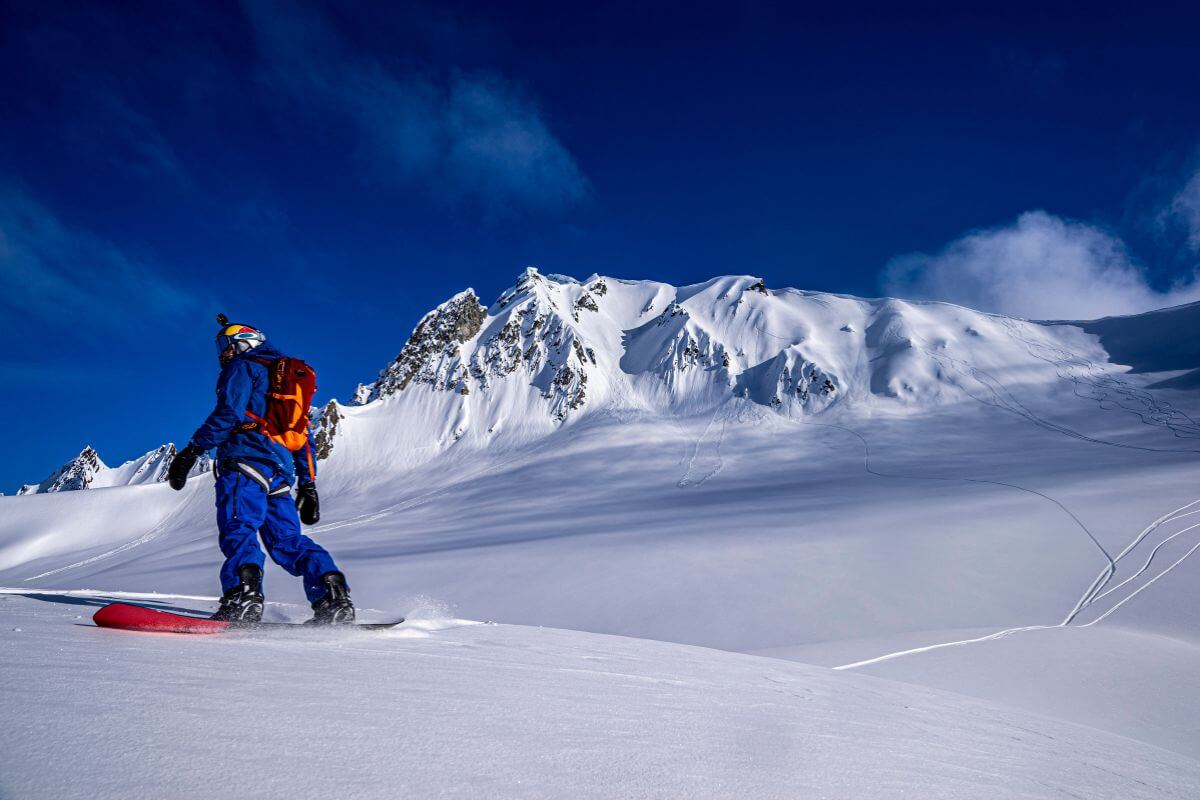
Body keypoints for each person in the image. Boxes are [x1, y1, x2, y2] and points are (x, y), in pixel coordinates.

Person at [166, 318, 355, 624]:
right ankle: (333, 597)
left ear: (243, 342)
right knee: (288, 541)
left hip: (245, 461)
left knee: (239, 527)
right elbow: (302, 435)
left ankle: (243, 597)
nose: (222, 354)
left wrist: (192, 450)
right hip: (279, 472)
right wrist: (308, 484)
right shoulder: (286, 383)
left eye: (225, 346)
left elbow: (229, 413)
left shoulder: (243, 367)